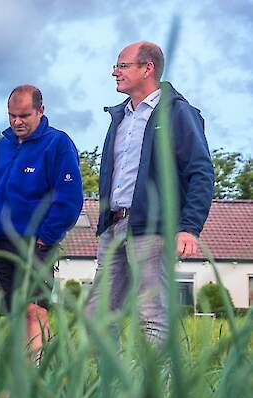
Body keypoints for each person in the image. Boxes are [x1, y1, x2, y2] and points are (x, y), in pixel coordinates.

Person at [86, 42, 214, 343]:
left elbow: (201, 172)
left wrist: (189, 228)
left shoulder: (178, 113)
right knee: (97, 315)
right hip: (114, 226)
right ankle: (111, 387)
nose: (114, 72)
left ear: (148, 68)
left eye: (122, 65)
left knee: (152, 315)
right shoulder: (120, 117)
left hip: (153, 229)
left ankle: (159, 389)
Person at [0, 85, 84, 359]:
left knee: (35, 309)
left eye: (24, 115)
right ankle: (19, 376)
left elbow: (69, 197)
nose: (16, 122)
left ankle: (38, 374)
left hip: (35, 243)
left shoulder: (58, 144)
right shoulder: (0, 148)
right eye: (12, 115)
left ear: (41, 111)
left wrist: (46, 236)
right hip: (0, 241)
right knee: (14, 312)